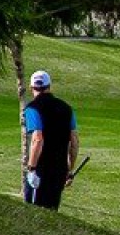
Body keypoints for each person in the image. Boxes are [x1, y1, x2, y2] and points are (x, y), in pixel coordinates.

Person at [22, 70, 79, 211]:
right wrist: (69, 170)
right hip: (59, 170)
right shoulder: (66, 109)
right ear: (49, 86)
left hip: (40, 171)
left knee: (33, 215)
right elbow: (74, 142)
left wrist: (31, 169)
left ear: (31, 88)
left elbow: (37, 139)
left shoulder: (32, 108)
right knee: (51, 214)